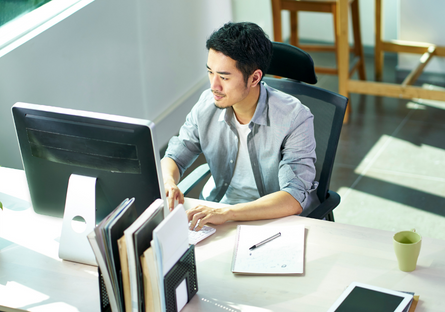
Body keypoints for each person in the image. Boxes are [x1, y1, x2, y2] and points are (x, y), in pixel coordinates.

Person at [161, 22, 319, 231]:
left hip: (271, 221)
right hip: (217, 215)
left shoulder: (294, 117)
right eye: (210, 72)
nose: (214, 86)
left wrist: (228, 213)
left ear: (254, 78)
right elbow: (175, 155)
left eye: (224, 77)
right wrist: (168, 182)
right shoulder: (206, 104)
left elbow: (293, 198)